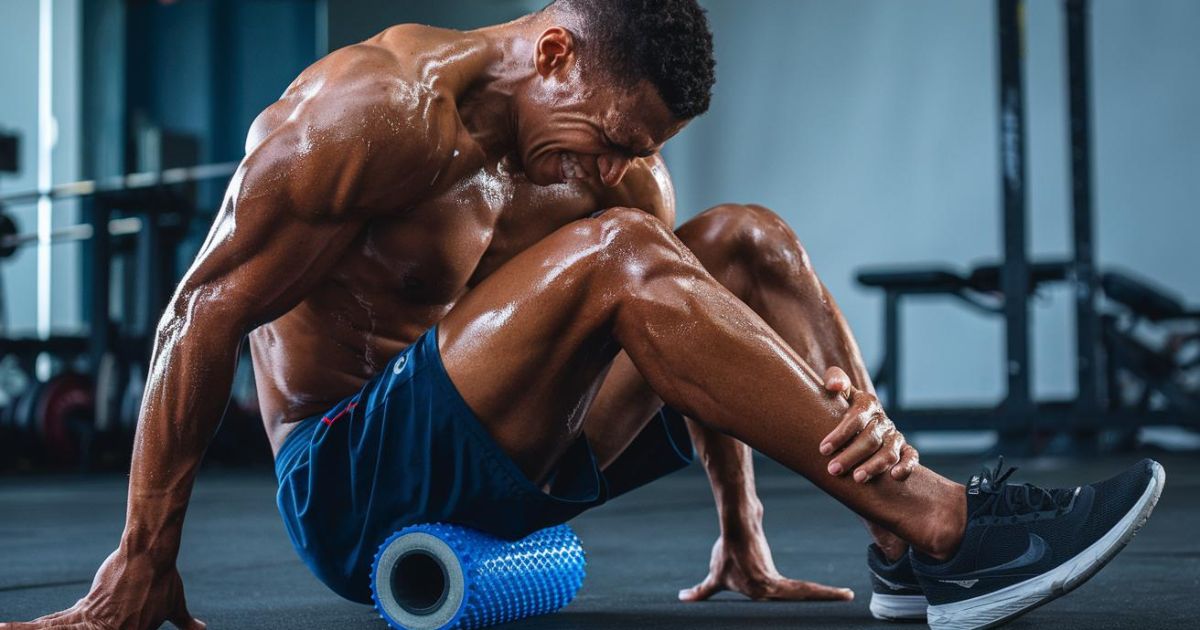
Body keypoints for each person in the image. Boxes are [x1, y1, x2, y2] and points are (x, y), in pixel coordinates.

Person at [2, 1, 1164, 629]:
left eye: (643, 149)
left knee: (742, 239)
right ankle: (952, 526)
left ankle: (899, 543)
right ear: (554, 52)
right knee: (625, 251)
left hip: (495, 465)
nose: (621, 164)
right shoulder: (369, 115)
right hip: (350, 489)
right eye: (613, 135)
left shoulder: (602, 174)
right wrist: (141, 562)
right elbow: (198, 315)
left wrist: (742, 531)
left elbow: (698, 320)